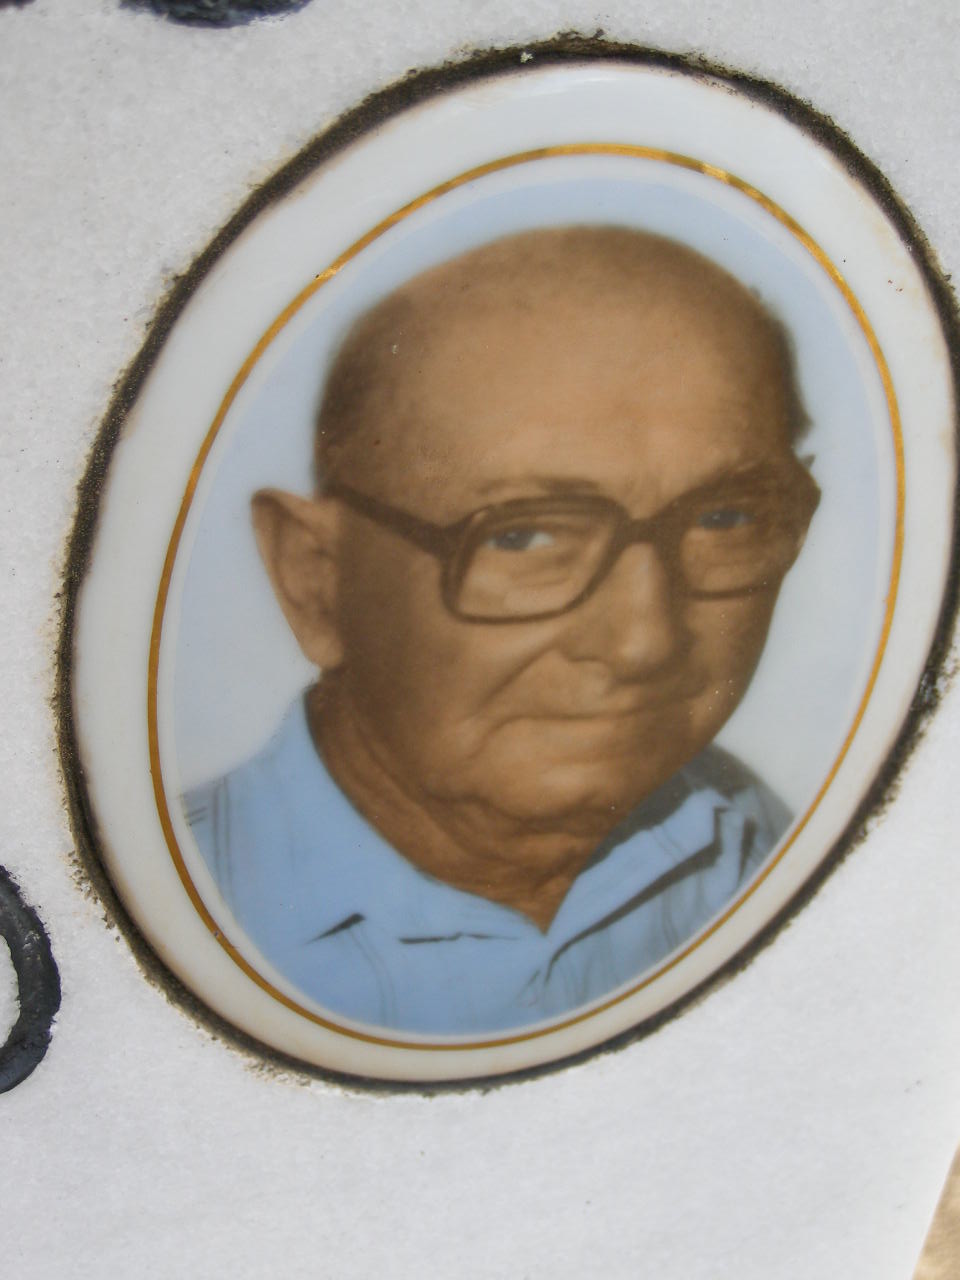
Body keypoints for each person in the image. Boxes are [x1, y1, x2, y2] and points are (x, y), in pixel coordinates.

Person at [184, 226, 819, 1035]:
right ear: (315, 578)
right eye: (524, 536)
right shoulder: (174, 917)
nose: (643, 643)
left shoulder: (767, 850)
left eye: (724, 519)